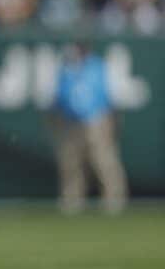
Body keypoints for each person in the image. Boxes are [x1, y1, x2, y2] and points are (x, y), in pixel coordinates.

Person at [51, 42, 128, 214]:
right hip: (71, 123)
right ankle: (72, 201)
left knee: (104, 161)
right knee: (71, 164)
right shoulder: (67, 69)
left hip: (96, 121)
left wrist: (109, 121)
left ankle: (114, 200)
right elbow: (59, 96)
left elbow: (106, 95)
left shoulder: (97, 67)